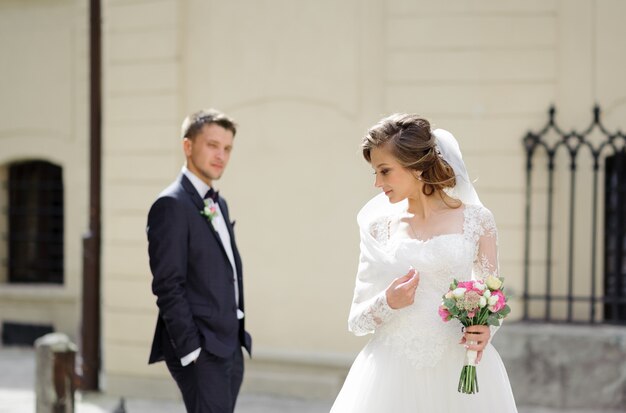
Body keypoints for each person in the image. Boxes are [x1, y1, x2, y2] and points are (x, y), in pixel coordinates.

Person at [329, 114, 517, 412]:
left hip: (458, 368)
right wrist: (388, 301)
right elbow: (357, 321)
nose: (377, 183)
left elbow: (492, 297)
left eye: (385, 171)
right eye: (375, 173)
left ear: (416, 167)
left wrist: (485, 331)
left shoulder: (478, 221)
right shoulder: (378, 228)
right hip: (390, 376)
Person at [146, 109, 252, 413]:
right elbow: (168, 285)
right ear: (188, 146)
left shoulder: (219, 203)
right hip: (201, 350)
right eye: (212, 145)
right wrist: (192, 350)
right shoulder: (171, 205)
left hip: (229, 344)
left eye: (227, 148)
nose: (221, 155)